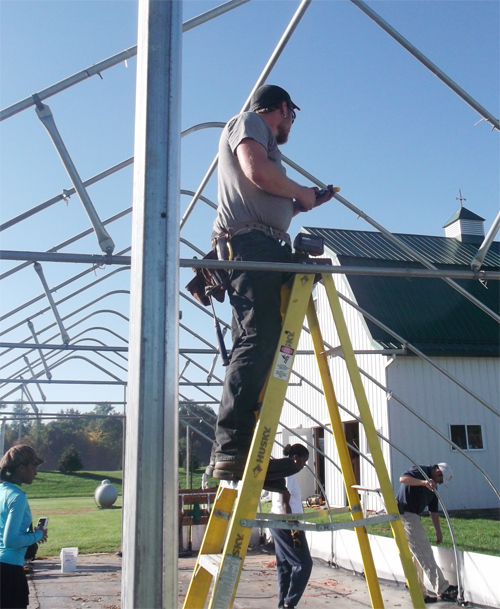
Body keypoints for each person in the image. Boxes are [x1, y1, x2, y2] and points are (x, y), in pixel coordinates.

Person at [209, 84, 335, 484]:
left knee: (263, 337)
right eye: (291, 119)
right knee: (259, 338)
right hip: (250, 245)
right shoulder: (248, 122)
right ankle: (232, 449)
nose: (289, 128)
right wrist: (297, 190)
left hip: (263, 243)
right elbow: (257, 171)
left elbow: (263, 191)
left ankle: (246, 447)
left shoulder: (262, 139)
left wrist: (298, 203)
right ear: (283, 109)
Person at [396, 462, 458, 603]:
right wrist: (424, 482)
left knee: (416, 555)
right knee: (424, 551)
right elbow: (403, 479)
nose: (440, 483)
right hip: (405, 513)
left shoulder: (433, 489)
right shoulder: (421, 471)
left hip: (413, 515)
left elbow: (433, 511)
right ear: (437, 472)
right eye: (441, 480)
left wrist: (438, 531)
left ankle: (419, 593)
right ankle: (442, 588)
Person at [0, 445, 47, 609]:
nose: (36, 472)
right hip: (9, 572)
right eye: (33, 467)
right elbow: (11, 541)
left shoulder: (1, 492)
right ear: (21, 468)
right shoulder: (17, 496)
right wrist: (38, 535)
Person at [270, 444, 312, 609]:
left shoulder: (282, 472)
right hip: (286, 523)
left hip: (278, 522)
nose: (304, 465)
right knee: (304, 564)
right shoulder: (287, 474)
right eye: (303, 460)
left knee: (285, 566)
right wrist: (293, 529)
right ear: (295, 458)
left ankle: (283, 605)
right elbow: (284, 500)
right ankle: (289, 602)